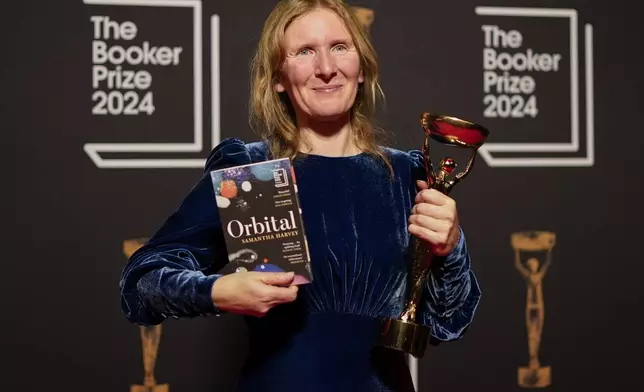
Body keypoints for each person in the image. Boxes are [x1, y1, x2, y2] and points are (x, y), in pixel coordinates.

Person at [119, 0, 481, 391]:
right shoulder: (253, 173)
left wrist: (451, 248)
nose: (326, 67)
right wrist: (216, 291)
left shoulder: (407, 176)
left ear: (362, 67)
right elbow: (141, 285)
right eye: (305, 51)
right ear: (278, 76)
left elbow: (449, 322)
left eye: (340, 46)